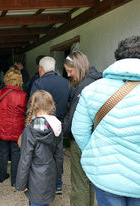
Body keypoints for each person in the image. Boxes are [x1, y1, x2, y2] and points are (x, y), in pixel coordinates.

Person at [71, 35, 140, 206]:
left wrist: (95, 153)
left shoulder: (92, 89)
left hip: (105, 175)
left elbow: (79, 130)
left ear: (118, 57)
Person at [62, 51, 102, 206]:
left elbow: (73, 117)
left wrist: (62, 131)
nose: (69, 75)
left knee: (79, 182)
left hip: (81, 138)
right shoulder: (97, 80)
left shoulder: (83, 86)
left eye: (70, 71)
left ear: (79, 67)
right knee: (89, 180)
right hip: (95, 136)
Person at [30, 56, 72, 193]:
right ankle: (58, 184)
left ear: (41, 69)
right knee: (57, 155)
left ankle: (43, 185)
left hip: (41, 126)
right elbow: (72, 104)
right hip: (58, 125)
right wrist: (65, 122)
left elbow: (32, 106)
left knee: (42, 156)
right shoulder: (66, 83)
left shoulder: (38, 83)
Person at [15, 90, 63, 206]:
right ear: (51, 105)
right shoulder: (57, 126)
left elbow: (25, 160)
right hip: (50, 175)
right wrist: (57, 180)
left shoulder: (30, 130)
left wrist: (21, 184)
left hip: (34, 179)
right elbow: (59, 156)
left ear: (32, 107)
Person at [0, 66, 28, 186]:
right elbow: (25, 111)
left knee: (2, 151)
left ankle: (2, 176)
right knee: (16, 153)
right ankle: (15, 180)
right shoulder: (23, 95)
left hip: (2, 125)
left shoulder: (0, 93)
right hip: (16, 127)